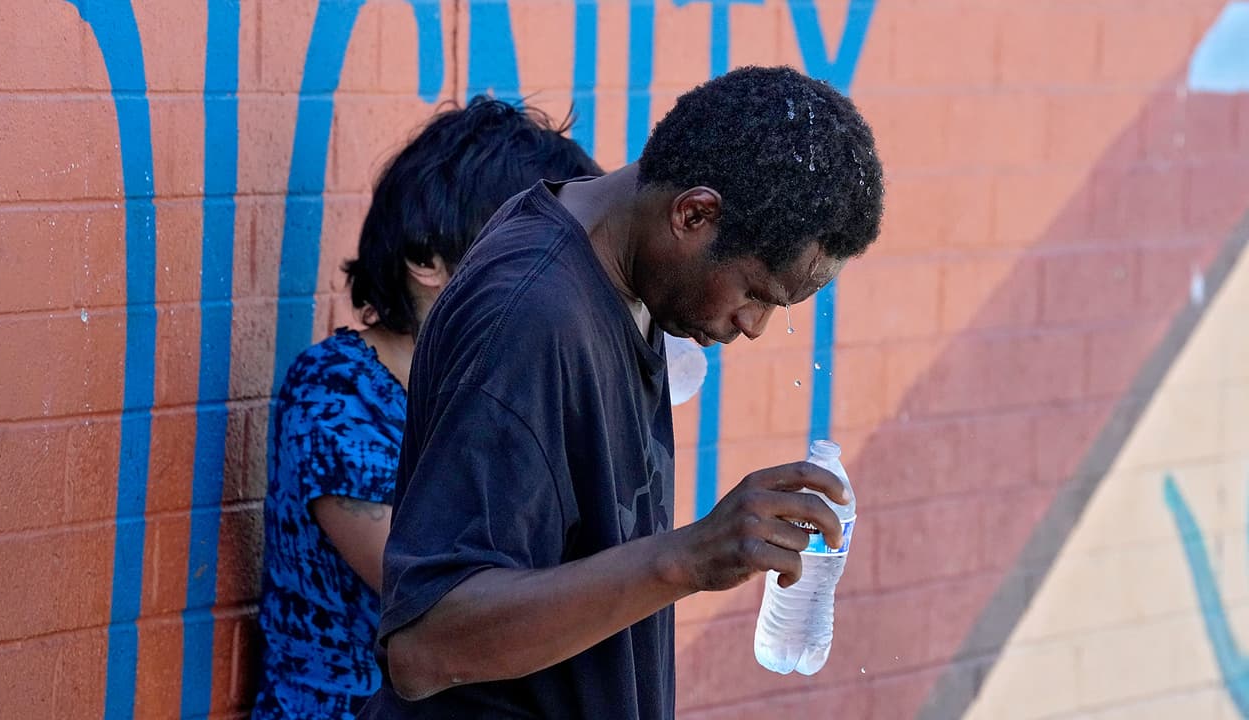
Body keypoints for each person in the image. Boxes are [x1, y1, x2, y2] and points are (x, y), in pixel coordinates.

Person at [360, 65, 885, 719]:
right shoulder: (530, 316)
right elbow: (426, 644)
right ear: (694, 213)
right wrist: (687, 558)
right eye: (754, 292)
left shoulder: (630, 278)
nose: (752, 327)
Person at [253, 96, 602, 720]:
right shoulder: (336, 394)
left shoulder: (513, 383)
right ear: (427, 260)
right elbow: (442, 604)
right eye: (531, 250)